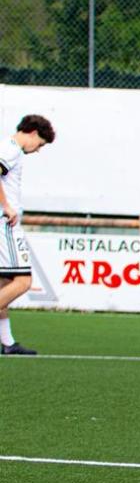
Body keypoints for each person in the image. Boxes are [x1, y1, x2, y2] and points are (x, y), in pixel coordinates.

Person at [0, 114, 57, 355]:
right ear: (33, 132)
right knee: (23, 281)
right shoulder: (11, 149)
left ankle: (6, 342)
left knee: (3, 283)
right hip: (5, 224)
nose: (38, 150)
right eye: (41, 144)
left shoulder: (9, 148)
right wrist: (7, 208)